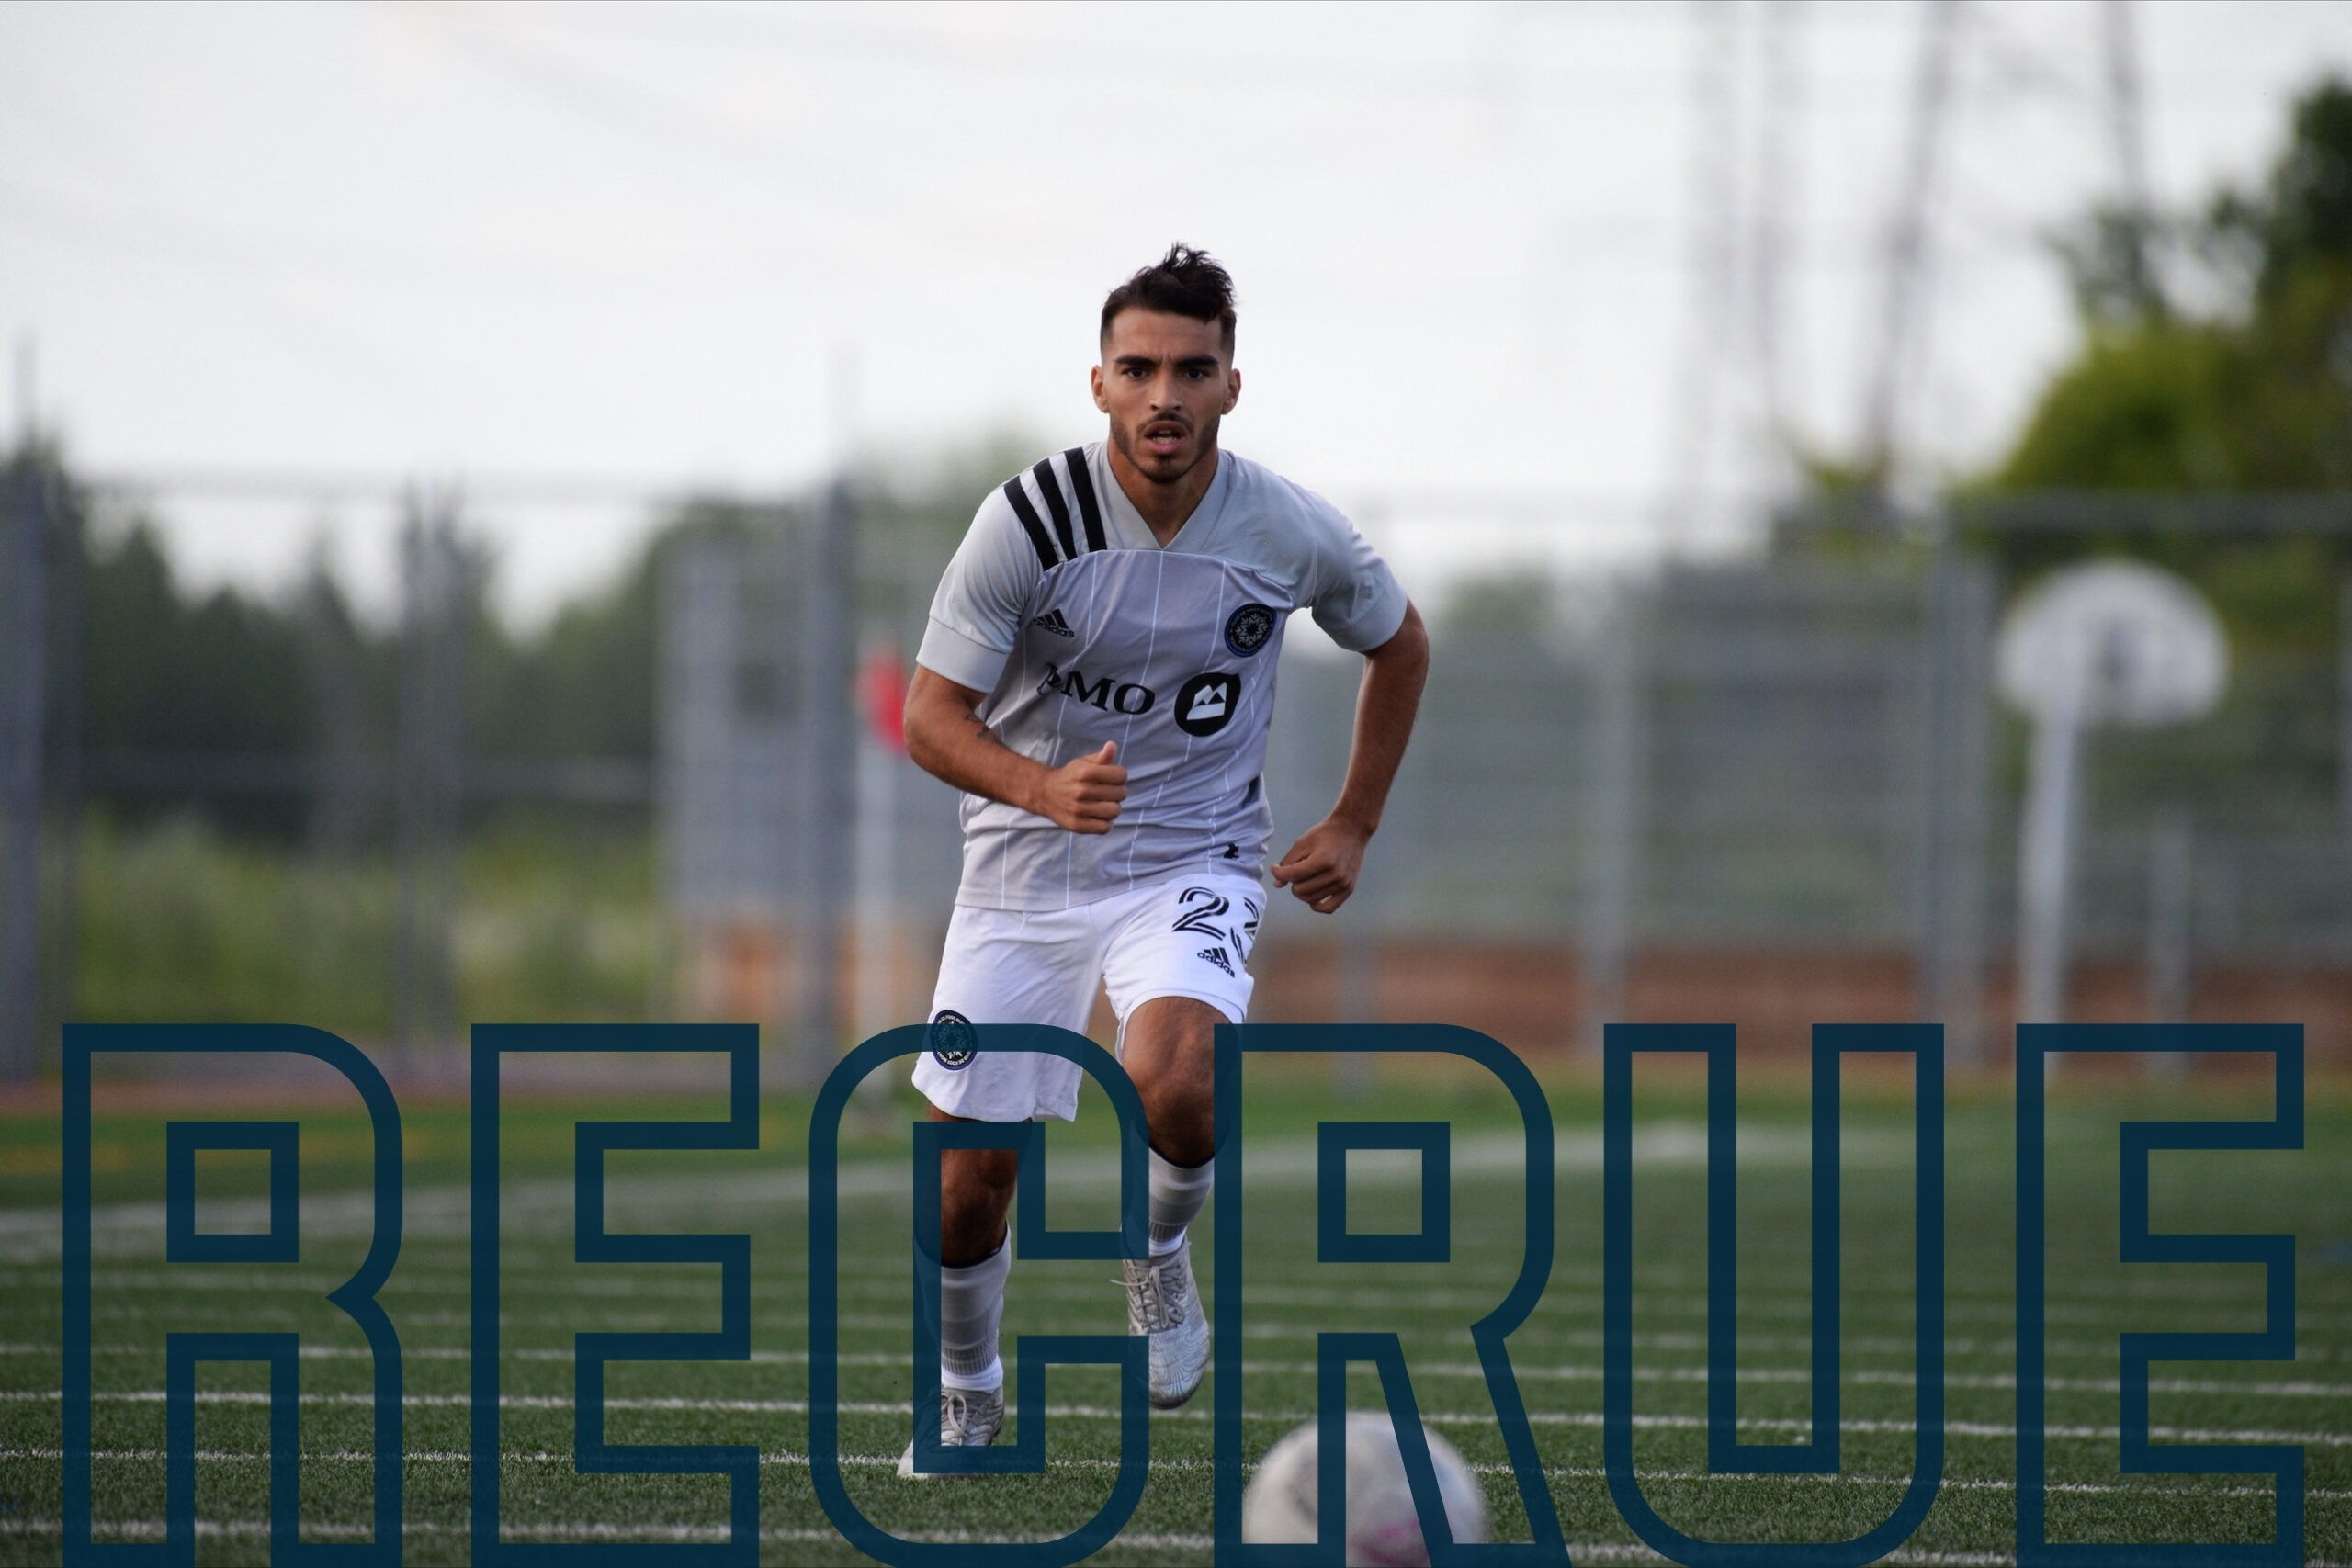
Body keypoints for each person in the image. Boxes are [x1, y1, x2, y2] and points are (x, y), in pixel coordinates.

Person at [897, 243, 1430, 1474]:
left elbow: (1400, 646)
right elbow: (931, 716)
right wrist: (1039, 785)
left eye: (1194, 369)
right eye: (1138, 369)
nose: (1165, 397)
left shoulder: (1287, 526)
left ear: (1234, 384)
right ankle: (967, 1395)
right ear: (1098, 385)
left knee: (1178, 1080)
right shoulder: (1027, 520)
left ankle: (1155, 1260)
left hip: (1193, 856)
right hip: (1024, 875)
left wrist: (1354, 819)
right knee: (969, 1180)